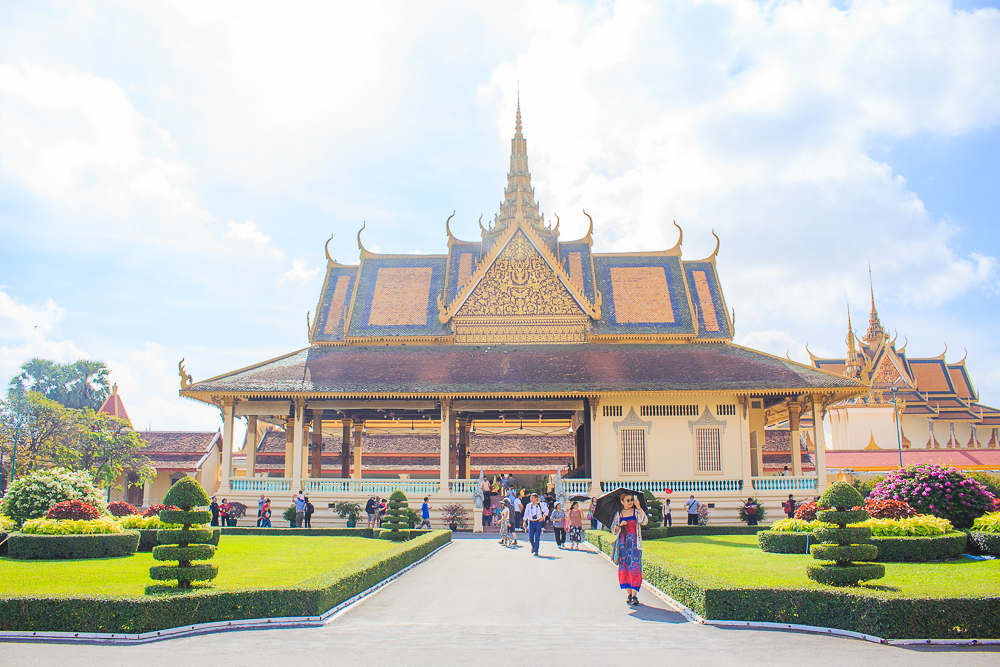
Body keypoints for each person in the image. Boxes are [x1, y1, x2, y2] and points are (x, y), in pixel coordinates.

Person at [611, 492, 648, 606]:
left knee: (636, 568)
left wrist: (639, 507)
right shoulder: (619, 514)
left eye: (631, 500)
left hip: (635, 546)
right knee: (625, 569)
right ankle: (629, 594)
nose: (630, 502)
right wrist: (620, 525)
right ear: (622, 502)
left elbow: (644, 521)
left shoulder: (636, 512)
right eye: (628, 500)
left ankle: (635, 595)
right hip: (623, 546)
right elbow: (613, 530)